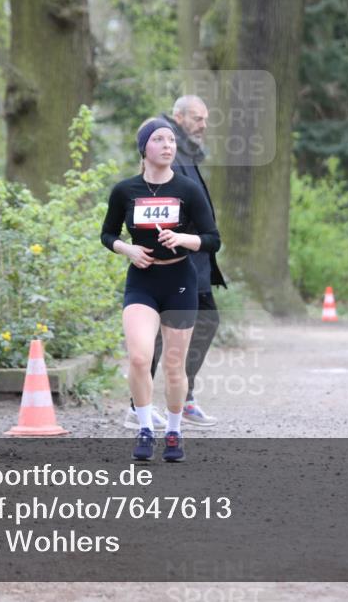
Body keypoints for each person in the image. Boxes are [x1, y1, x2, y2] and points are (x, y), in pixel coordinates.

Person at [101, 117, 220, 462]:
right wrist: (128, 249)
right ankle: (144, 429)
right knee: (139, 357)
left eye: (171, 140)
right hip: (142, 281)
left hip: (179, 280)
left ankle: (173, 432)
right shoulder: (125, 191)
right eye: (159, 140)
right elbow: (108, 234)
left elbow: (214, 240)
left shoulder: (187, 190)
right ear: (144, 149)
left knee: (173, 366)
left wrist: (183, 238)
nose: (168, 146)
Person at [123, 95, 227, 431]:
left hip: (194, 257)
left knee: (206, 321)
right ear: (179, 117)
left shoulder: (186, 151)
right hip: (175, 259)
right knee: (158, 333)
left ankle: (184, 398)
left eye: (205, 118)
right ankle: (139, 406)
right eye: (197, 118)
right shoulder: (169, 147)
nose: (204, 125)